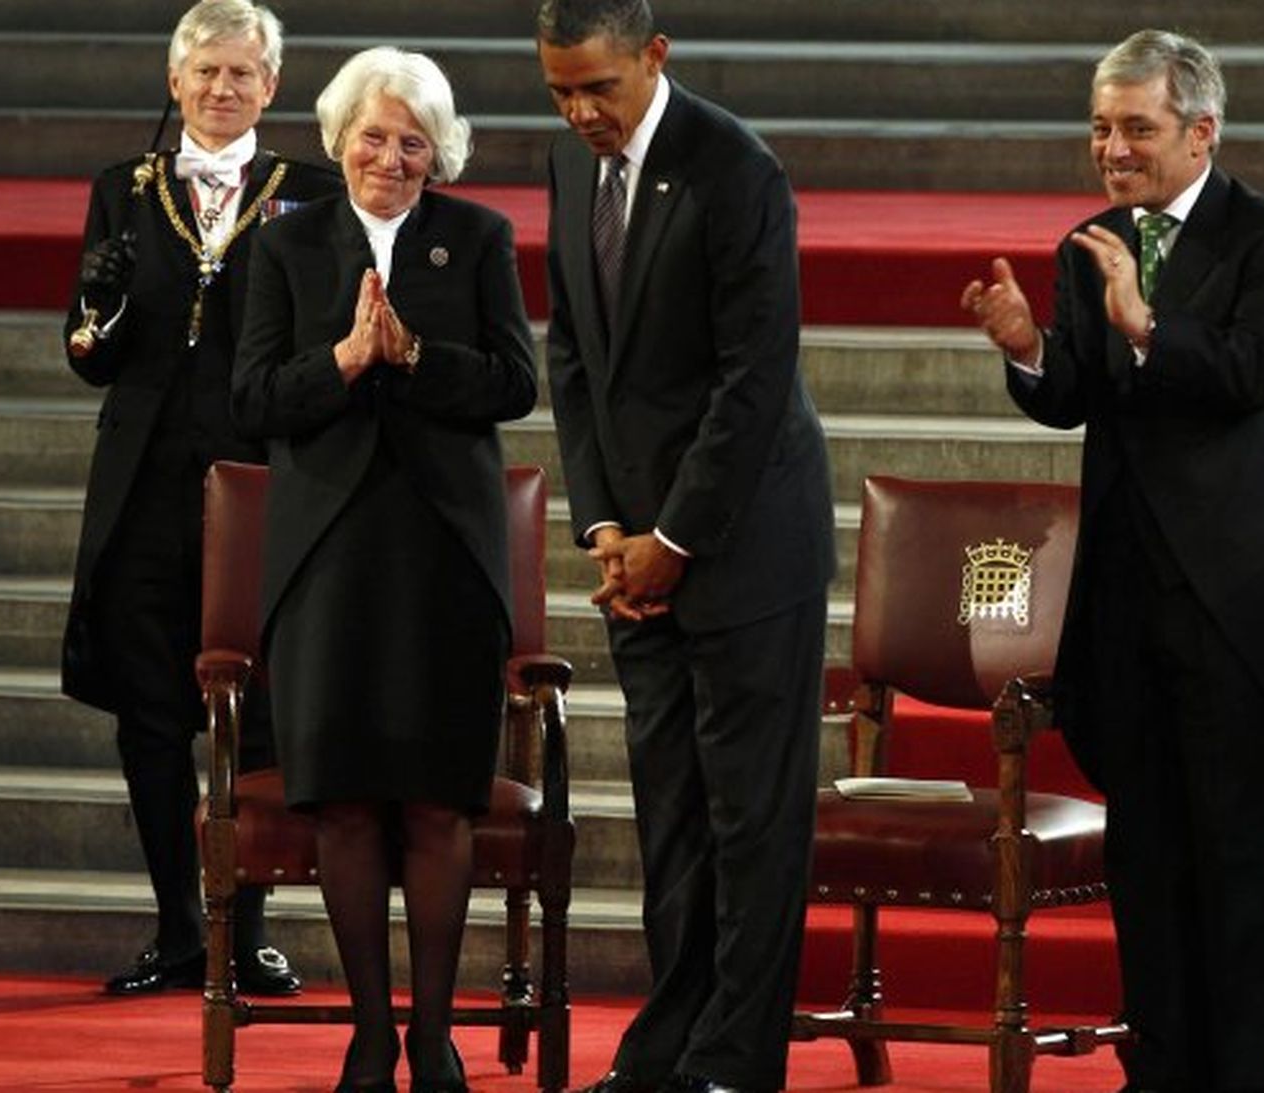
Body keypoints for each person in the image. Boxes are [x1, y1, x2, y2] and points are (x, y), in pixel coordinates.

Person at [961, 29, 1264, 1093]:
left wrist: (1144, 325)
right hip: (1125, 607)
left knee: (1238, 874)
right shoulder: (1087, 238)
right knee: (1148, 868)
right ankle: (1156, 1075)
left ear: (1199, 131)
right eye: (1098, 127)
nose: (1110, 149)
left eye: (1135, 129)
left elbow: (1260, 370)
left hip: (1233, 610)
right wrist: (1028, 345)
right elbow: (1073, 395)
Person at [536, 3, 836, 1091]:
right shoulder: (570, 167)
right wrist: (604, 524)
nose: (579, 112)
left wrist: (672, 536)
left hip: (746, 549)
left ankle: (731, 1061)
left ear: (653, 59)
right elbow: (573, 356)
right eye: (560, 91)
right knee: (672, 815)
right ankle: (667, 1045)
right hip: (639, 556)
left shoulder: (734, 169)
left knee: (751, 818)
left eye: (598, 88)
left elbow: (752, 380)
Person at [231, 45, 537, 1093]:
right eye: (374, 136)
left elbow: (513, 383)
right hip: (327, 561)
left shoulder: (478, 238)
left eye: (413, 142)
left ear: (438, 152)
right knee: (349, 801)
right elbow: (254, 398)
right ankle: (369, 1031)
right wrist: (345, 361)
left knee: (438, 804)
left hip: (446, 557)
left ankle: (435, 1033)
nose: (391, 158)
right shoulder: (287, 244)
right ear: (339, 137)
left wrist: (412, 358)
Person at [61, 0, 340, 997]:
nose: (222, 89)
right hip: (142, 488)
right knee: (149, 709)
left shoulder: (309, 193)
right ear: (173, 82)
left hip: (262, 485)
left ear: (271, 86)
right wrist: (101, 305)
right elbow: (87, 354)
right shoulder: (122, 189)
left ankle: (244, 927)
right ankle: (180, 927)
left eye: (241, 73)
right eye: (204, 72)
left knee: (259, 711)